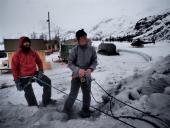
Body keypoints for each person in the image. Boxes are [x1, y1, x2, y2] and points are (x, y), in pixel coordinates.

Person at [11, 36, 55, 106]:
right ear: (21, 44)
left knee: (47, 82)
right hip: (24, 77)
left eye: (28, 44)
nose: (27, 45)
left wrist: (40, 70)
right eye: (25, 44)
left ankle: (47, 101)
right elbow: (14, 69)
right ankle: (33, 107)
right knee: (29, 93)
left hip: (34, 74)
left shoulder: (32, 52)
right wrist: (17, 81)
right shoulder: (17, 55)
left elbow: (39, 62)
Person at [63, 29, 97, 118]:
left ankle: (85, 110)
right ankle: (66, 110)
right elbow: (70, 63)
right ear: (78, 40)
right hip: (76, 76)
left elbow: (94, 61)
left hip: (86, 76)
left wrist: (91, 68)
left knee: (86, 94)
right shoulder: (74, 50)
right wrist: (78, 70)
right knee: (73, 94)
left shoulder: (92, 49)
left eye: (85, 37)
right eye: (82, 38)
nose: (84, 39)